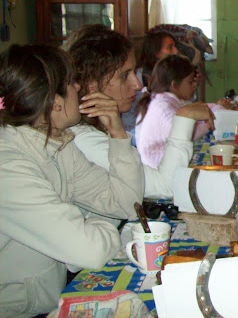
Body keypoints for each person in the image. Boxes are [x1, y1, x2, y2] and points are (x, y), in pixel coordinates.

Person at [0, 44, 143, 317]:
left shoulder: (58, 145)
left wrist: (118, 135)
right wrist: (92, 224)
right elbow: (89, 252)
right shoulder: (8, 169)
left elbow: (128, 205)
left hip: (50, 300)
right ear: (54, 101)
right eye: (71, 82)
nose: (78, 87)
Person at [66, 24, 214, 201]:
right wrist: (184, 118)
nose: (137, 85)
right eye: (124, 75)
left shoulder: (101, 126)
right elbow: (166, 187)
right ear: (92, 85)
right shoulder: (85, 140)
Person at [135, 54, 220, 169]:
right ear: (174, 85)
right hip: (158, 169)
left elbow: (194, 108)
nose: (195, 85)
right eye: (190, 82)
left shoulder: (170, 99)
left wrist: (216, 107)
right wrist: (208, 123)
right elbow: (185, 135)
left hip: (166, 163)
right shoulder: (162, 107)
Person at [121, 30, 180, 141]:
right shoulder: (138, 79)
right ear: (155, 52)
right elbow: (129, 122)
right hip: (134, 136)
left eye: (175, 46)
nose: (176, 51)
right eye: (170, 47)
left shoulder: (170, 76)